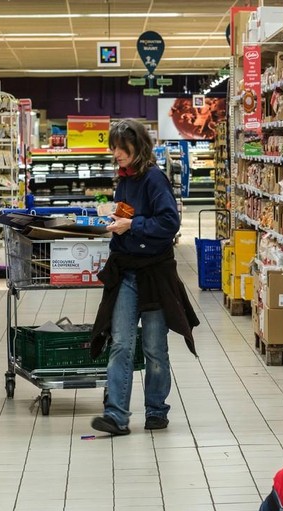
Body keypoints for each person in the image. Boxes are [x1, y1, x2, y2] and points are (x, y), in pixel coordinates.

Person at [89, 120, 199, 436]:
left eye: (123, 147)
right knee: (121, 342)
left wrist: (132, 226)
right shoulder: (123, 181)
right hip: (125, 272)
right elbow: (129, 215)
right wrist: (116, 222)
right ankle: (117, 417)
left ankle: (156, 410)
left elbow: (169, 223)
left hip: (154, 275)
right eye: (114, 147)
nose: (117, 153)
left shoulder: (154, 179)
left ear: (139, 147)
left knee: (154, 347)